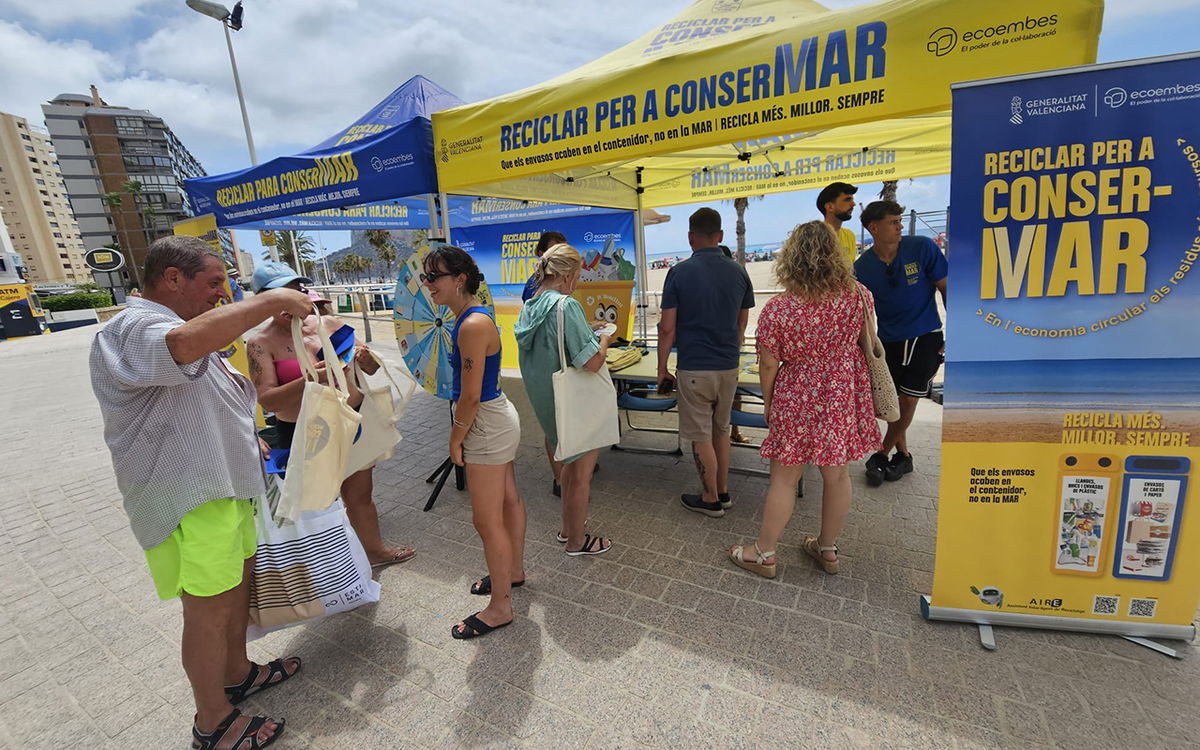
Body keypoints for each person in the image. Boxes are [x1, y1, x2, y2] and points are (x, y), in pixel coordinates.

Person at [90, 236, 311, 749]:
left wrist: (247, 435)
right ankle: (213, 721)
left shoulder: (177, 326)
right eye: (213, 282)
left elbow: (207, 394)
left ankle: (237, 673)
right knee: (208, 610)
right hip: (189, 496)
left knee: (233, 589)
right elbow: (182, 349)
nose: (223, 292)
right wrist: (269, 300)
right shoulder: (133, 327)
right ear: (172, 279)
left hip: (220, 488)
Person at [727, 221, 882, 578]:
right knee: (837, 475)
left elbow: (768, 362)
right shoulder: (859, 294)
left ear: (791, 259)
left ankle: (764, 553)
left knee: (784, 478)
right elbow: (865, 340)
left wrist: (768, 402)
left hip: (796, 392)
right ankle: (827, 549)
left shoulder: (779, 309)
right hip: (843, 391)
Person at [245, 261, 416, 568]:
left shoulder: (330, 324)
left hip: (350, 421)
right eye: (278, 294)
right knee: (315, 502)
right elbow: (267, 400)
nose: (289, 300)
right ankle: (325, 565)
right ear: (264, 301)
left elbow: (373, 369)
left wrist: (365, 358)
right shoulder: (260, 342)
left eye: (294, 290)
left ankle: (374, 551)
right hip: (302, 430)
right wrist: (310, 381)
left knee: (360, 495)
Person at [423, 245, 527, 639]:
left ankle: (500, 607)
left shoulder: (470, 324)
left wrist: (455, 438)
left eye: (435, 277)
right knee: (508, 500)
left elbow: (469, 395)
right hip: (493, 416)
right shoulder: (473, 317)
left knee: (486, 519)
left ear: (459, 279)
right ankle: (512, 573)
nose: (428, 284)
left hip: (483, 422)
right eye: (425, 277)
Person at [515, 244, 614, 556]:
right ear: (568, 275)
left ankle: (566, 529)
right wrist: (605, 339)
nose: (579, 282)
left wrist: (588, 330)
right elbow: (592, 362)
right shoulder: (566, 306)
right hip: (573, 401)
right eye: (578, 275)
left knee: (568, 466)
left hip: (548, 400)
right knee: (581, 475)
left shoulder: (530, 306)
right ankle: (577, 541)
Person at [658, 207, 755, 517]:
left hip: (695, 366)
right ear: (721, 236)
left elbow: (667, 328)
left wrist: (662, 368)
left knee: (700, 437)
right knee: (721, 431)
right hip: (728, 366)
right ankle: (723, 491)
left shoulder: (679, 272)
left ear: (690, 237)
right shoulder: (738, 270)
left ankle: (710, 497)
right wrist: (733, 343)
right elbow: (743, 319)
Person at [854, 200, 948, 486]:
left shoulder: (921, 247)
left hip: (925, 336)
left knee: (909, 399)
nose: (900, 226)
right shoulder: (862, 267)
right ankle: (903, 457)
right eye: (893, 222)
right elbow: (861, 313)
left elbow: (947, 289)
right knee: (891, 404)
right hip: (889, 342)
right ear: (874, 227)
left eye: (900, 220)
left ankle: (881, 454)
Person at [817, 181, 859, 266]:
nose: (853, 204)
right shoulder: (815, 237)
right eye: (847, 200)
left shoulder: (849, 235)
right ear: (830, 207)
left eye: (852, 199)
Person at [521, 230, 567, 303]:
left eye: (564, 251)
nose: (561, 256)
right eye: (555, 252)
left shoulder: (569, 279)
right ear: (541, 254)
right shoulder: (533, 285)